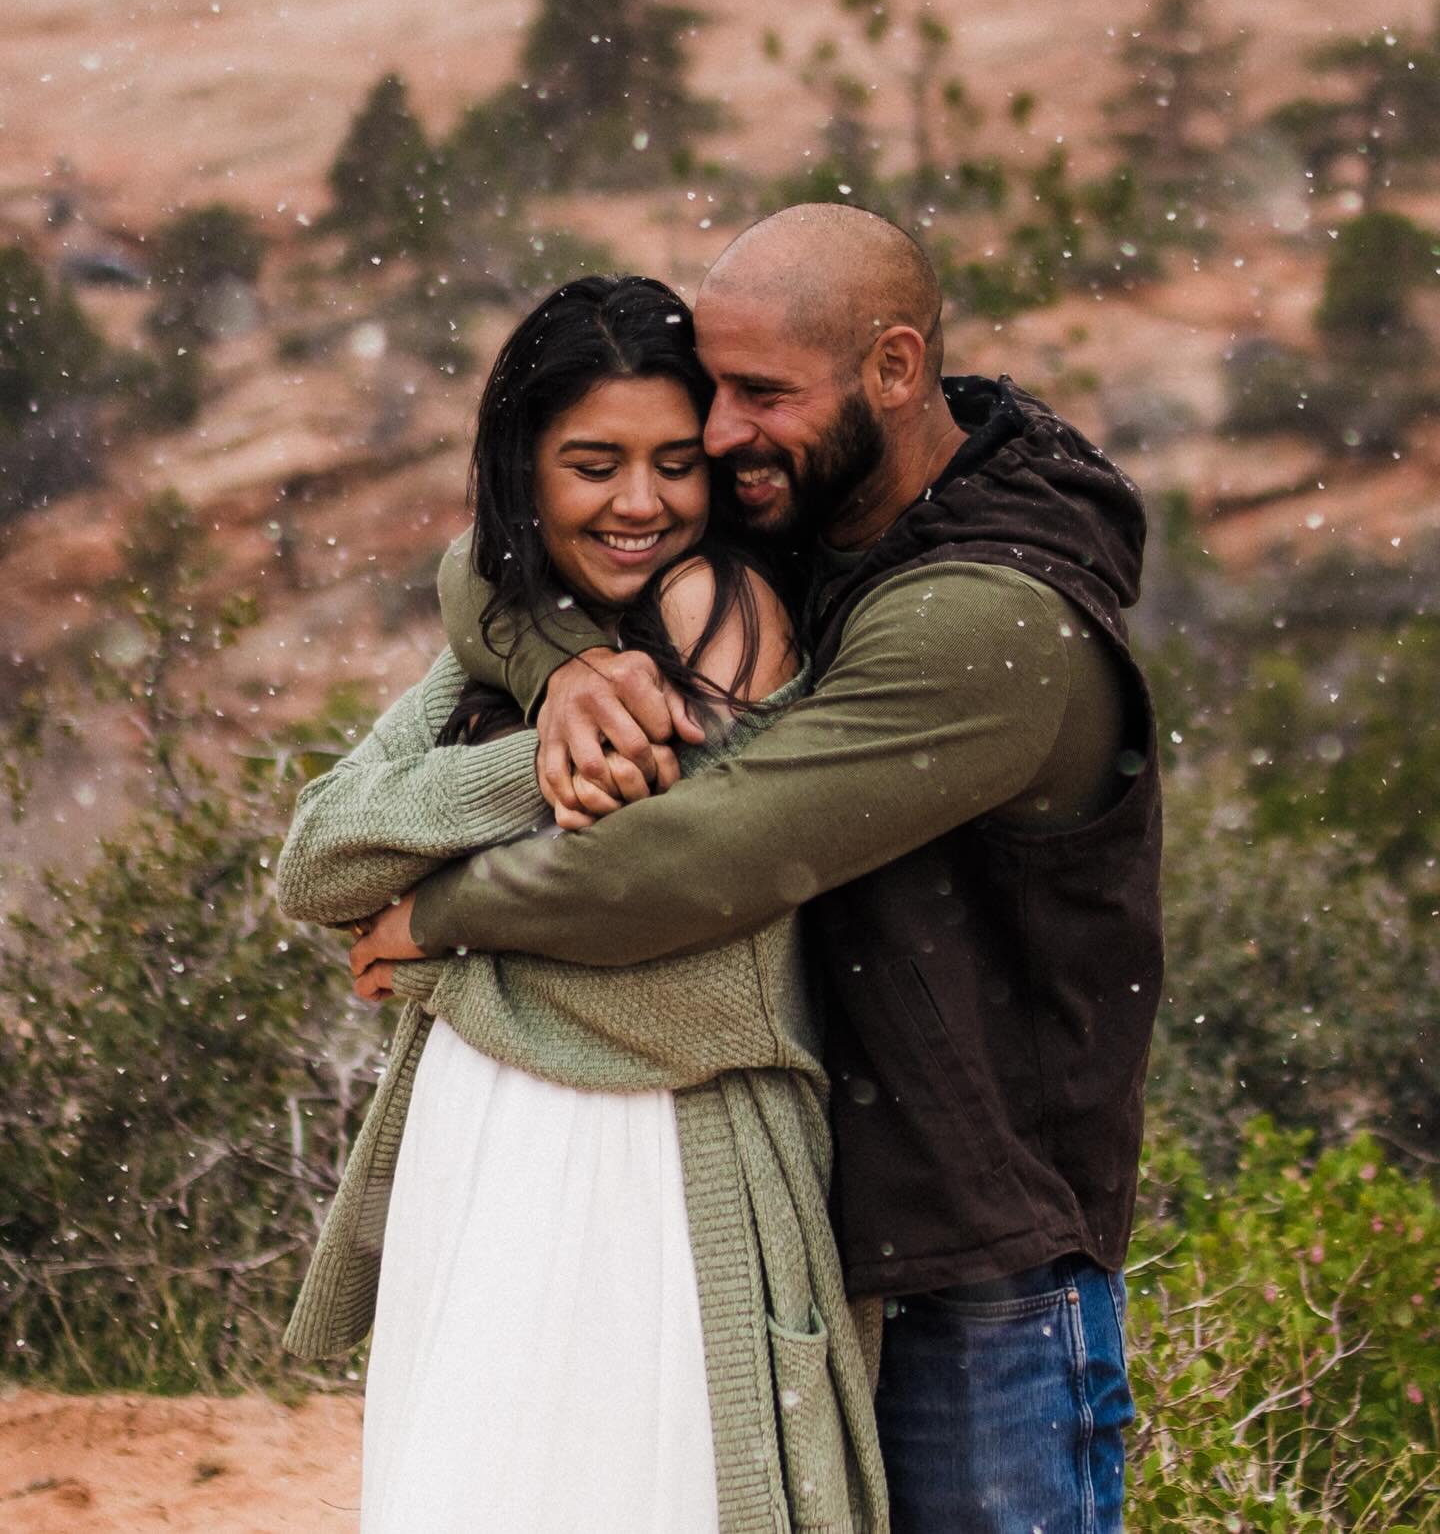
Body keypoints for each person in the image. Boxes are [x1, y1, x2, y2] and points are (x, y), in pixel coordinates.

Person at [351, 204, 1165, 1534]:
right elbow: (496, 554)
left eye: (758, 393)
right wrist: (571, 671)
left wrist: (437, 912)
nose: (720, 436)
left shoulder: (982, 617)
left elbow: (701, 856)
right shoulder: (815, 505)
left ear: (895, 369)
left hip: (985, 1281)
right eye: (713, 392)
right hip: (814, 1233)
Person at [277, 274, 888, 1534]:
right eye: (592, 462)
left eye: (675, 460)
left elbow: (683, 969)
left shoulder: (729, 613)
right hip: (485, 1147)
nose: (640, 501)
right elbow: (318, 860)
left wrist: (433, 940)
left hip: (659, 1160)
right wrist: (537, 741)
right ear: (525, 472)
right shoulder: (510, 637)